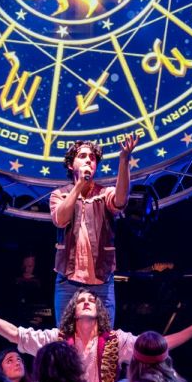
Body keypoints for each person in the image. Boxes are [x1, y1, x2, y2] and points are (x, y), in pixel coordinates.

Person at [0, 281, 192, 382]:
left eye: (91, 300)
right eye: (81, 301)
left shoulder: (116, 339)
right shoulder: (57, 339)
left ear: (99, 310)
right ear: (73, 311)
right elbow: (17, 334)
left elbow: (156, 346)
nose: (86, 302)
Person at [49, 136, 136, 326]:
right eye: (82, 156)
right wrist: (80, 185)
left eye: (92, 157)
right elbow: (60, 220)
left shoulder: (104, 193)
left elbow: (120, 201)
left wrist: (124, 160)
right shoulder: (60, 194)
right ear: (71, 165)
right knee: (65, 337)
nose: (89, 160)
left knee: (105, 337)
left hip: (102, 280)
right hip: (68, 280)